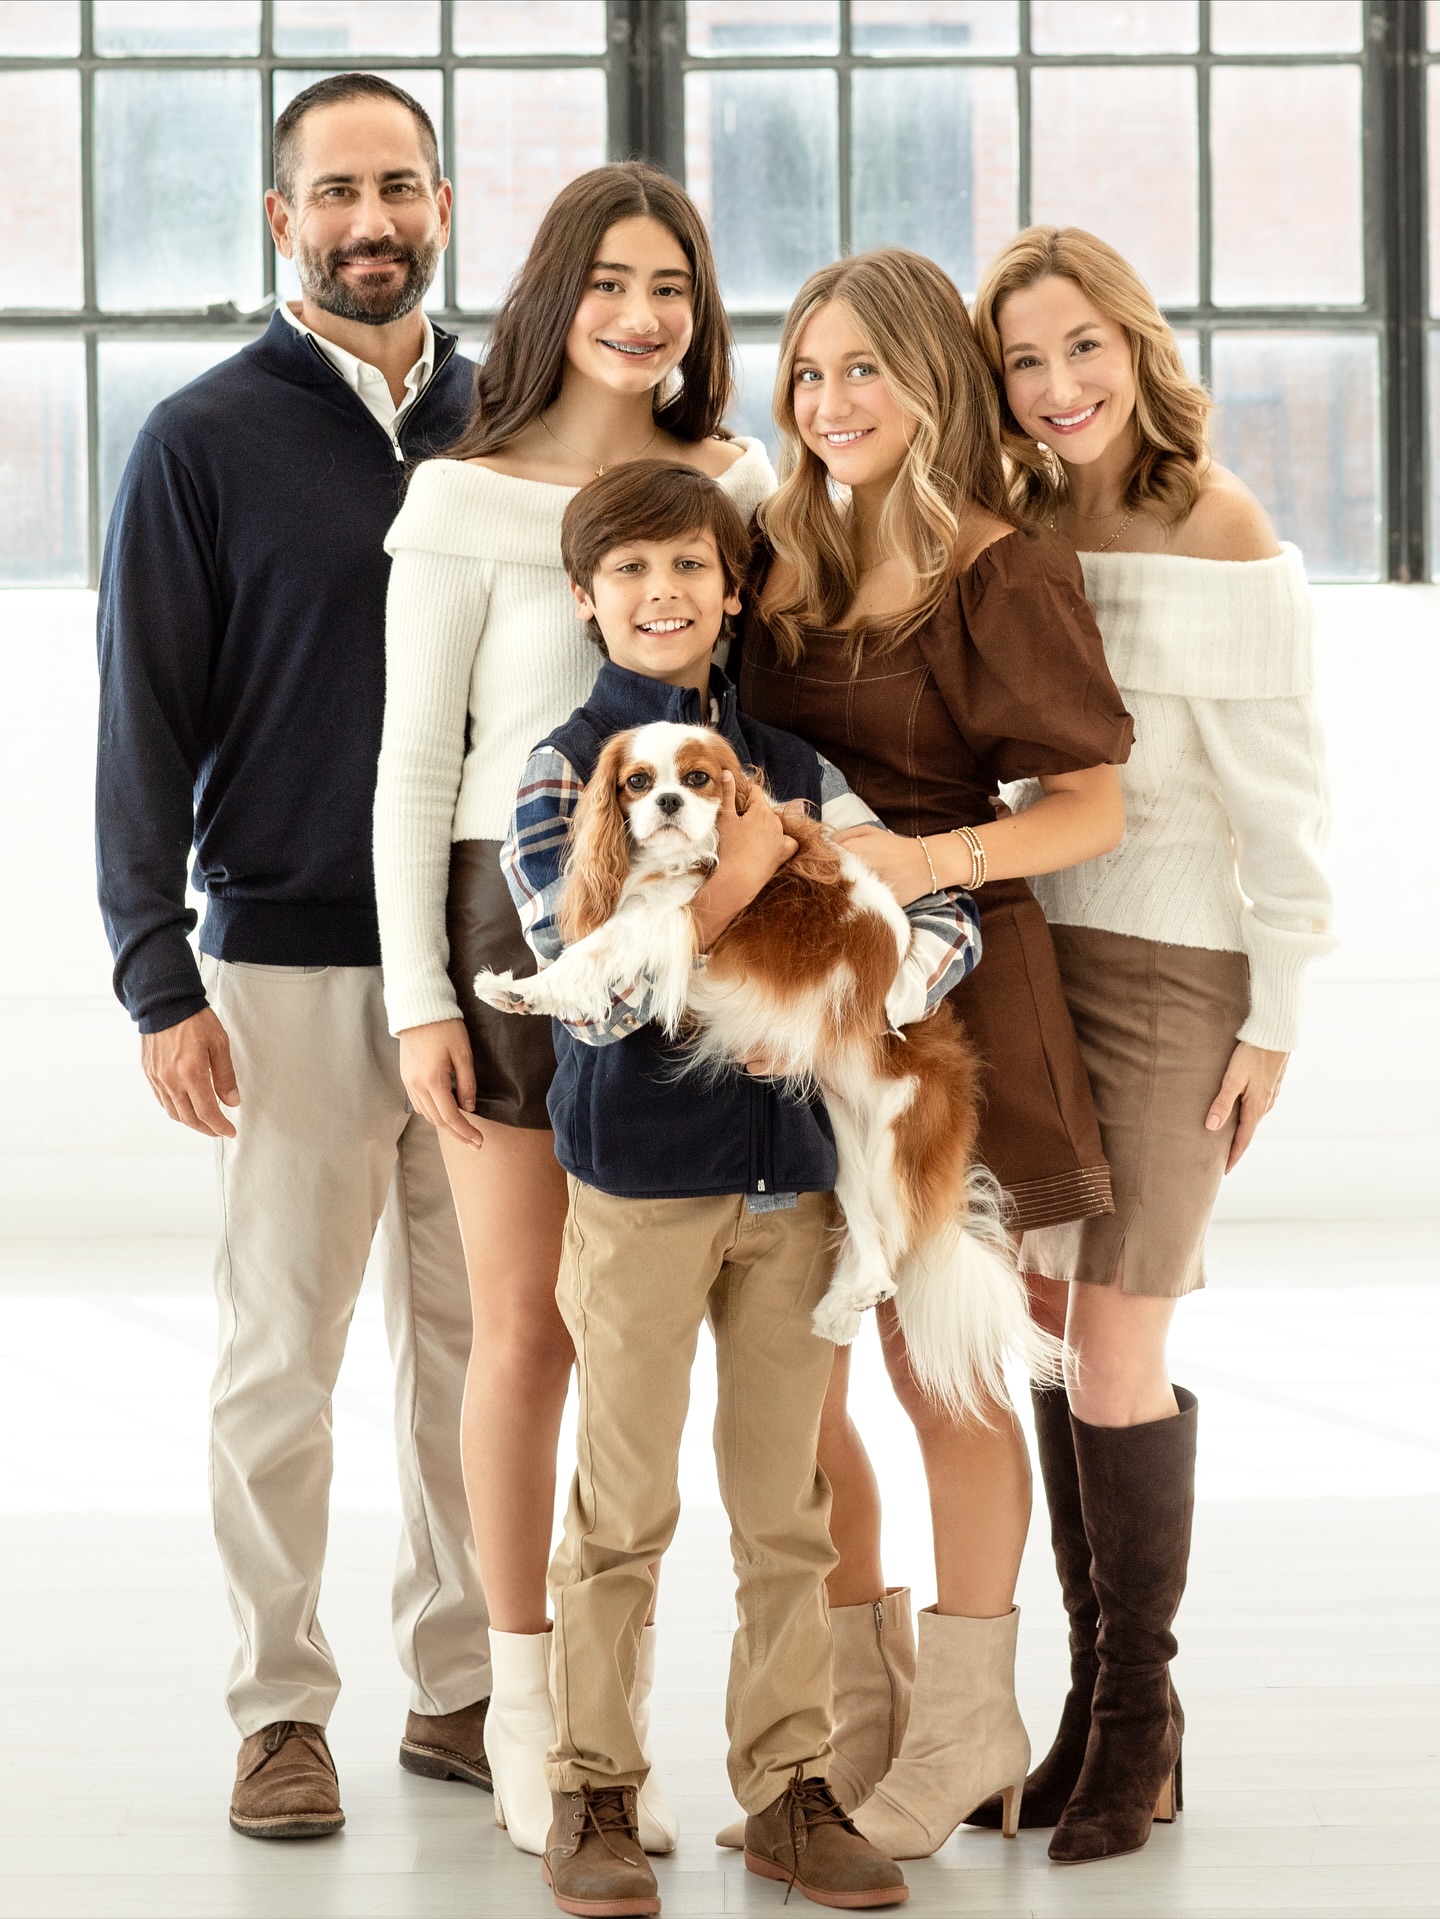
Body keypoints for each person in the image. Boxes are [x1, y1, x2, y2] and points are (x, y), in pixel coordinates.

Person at [94, 75, 490, 1839]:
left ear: (446, 203)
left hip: (490, 973)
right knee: (284, 1359)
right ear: (282, 221)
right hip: (292, 968)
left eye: (399, 185)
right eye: (336, 192)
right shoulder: (200, 438)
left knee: (481, 1349)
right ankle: (278, 1708)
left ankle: (471, 1687)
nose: (371, 220)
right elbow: (138, 724)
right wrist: (155, 974)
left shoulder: (520, 421)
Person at [501, 457, 979, 1915]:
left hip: (797, 1190)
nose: (663, 595)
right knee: (621, 1501)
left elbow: (934, 922)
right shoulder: (558, 765)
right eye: (631, 573)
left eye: (691, 569)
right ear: (587, 600)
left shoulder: (790, 756)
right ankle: (593, 1786)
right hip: (640, 1182)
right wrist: (757, 893)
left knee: (788, 1507)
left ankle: (788, 1790)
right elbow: (587, 989)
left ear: (730, 591)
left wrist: (850, 992)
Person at [373, 163, 775, 1855]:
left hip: (721, 923)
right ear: (555, 293)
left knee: (724, 1344)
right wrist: (419, 1005)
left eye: (671, 284)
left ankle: (736, 1733)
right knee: (527, 1329)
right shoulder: (461, 499)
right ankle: (534, 1723)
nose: (640, 313)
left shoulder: (740, 483)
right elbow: (410, 770)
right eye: (609, 279)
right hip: (510, 917)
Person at [728, 248, 1134, 1859]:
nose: (832, 406)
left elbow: (1094, 805)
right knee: (796, 1364)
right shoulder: (775, 552)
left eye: (866, 373)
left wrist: (927, 859)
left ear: (932, 385)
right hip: (800, 1023)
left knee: (937, 1366)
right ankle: (867, 1708)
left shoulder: (1002, 569)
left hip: (958, 1020)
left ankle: (972, 1722)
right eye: (810, 376)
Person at [963, 225, 1334, 1863]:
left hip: (1181, 974)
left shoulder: (1222, 523)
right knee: (1045, 1320)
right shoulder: (1013, 518)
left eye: (1082, 349)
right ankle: (1101, 1707)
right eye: (1024, 362)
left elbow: (1288, 802)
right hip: (1031, 952)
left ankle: (1136, 1717)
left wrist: (1278, 1013)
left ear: (1137, 341)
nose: (1057, 390)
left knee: (1120, 1338)